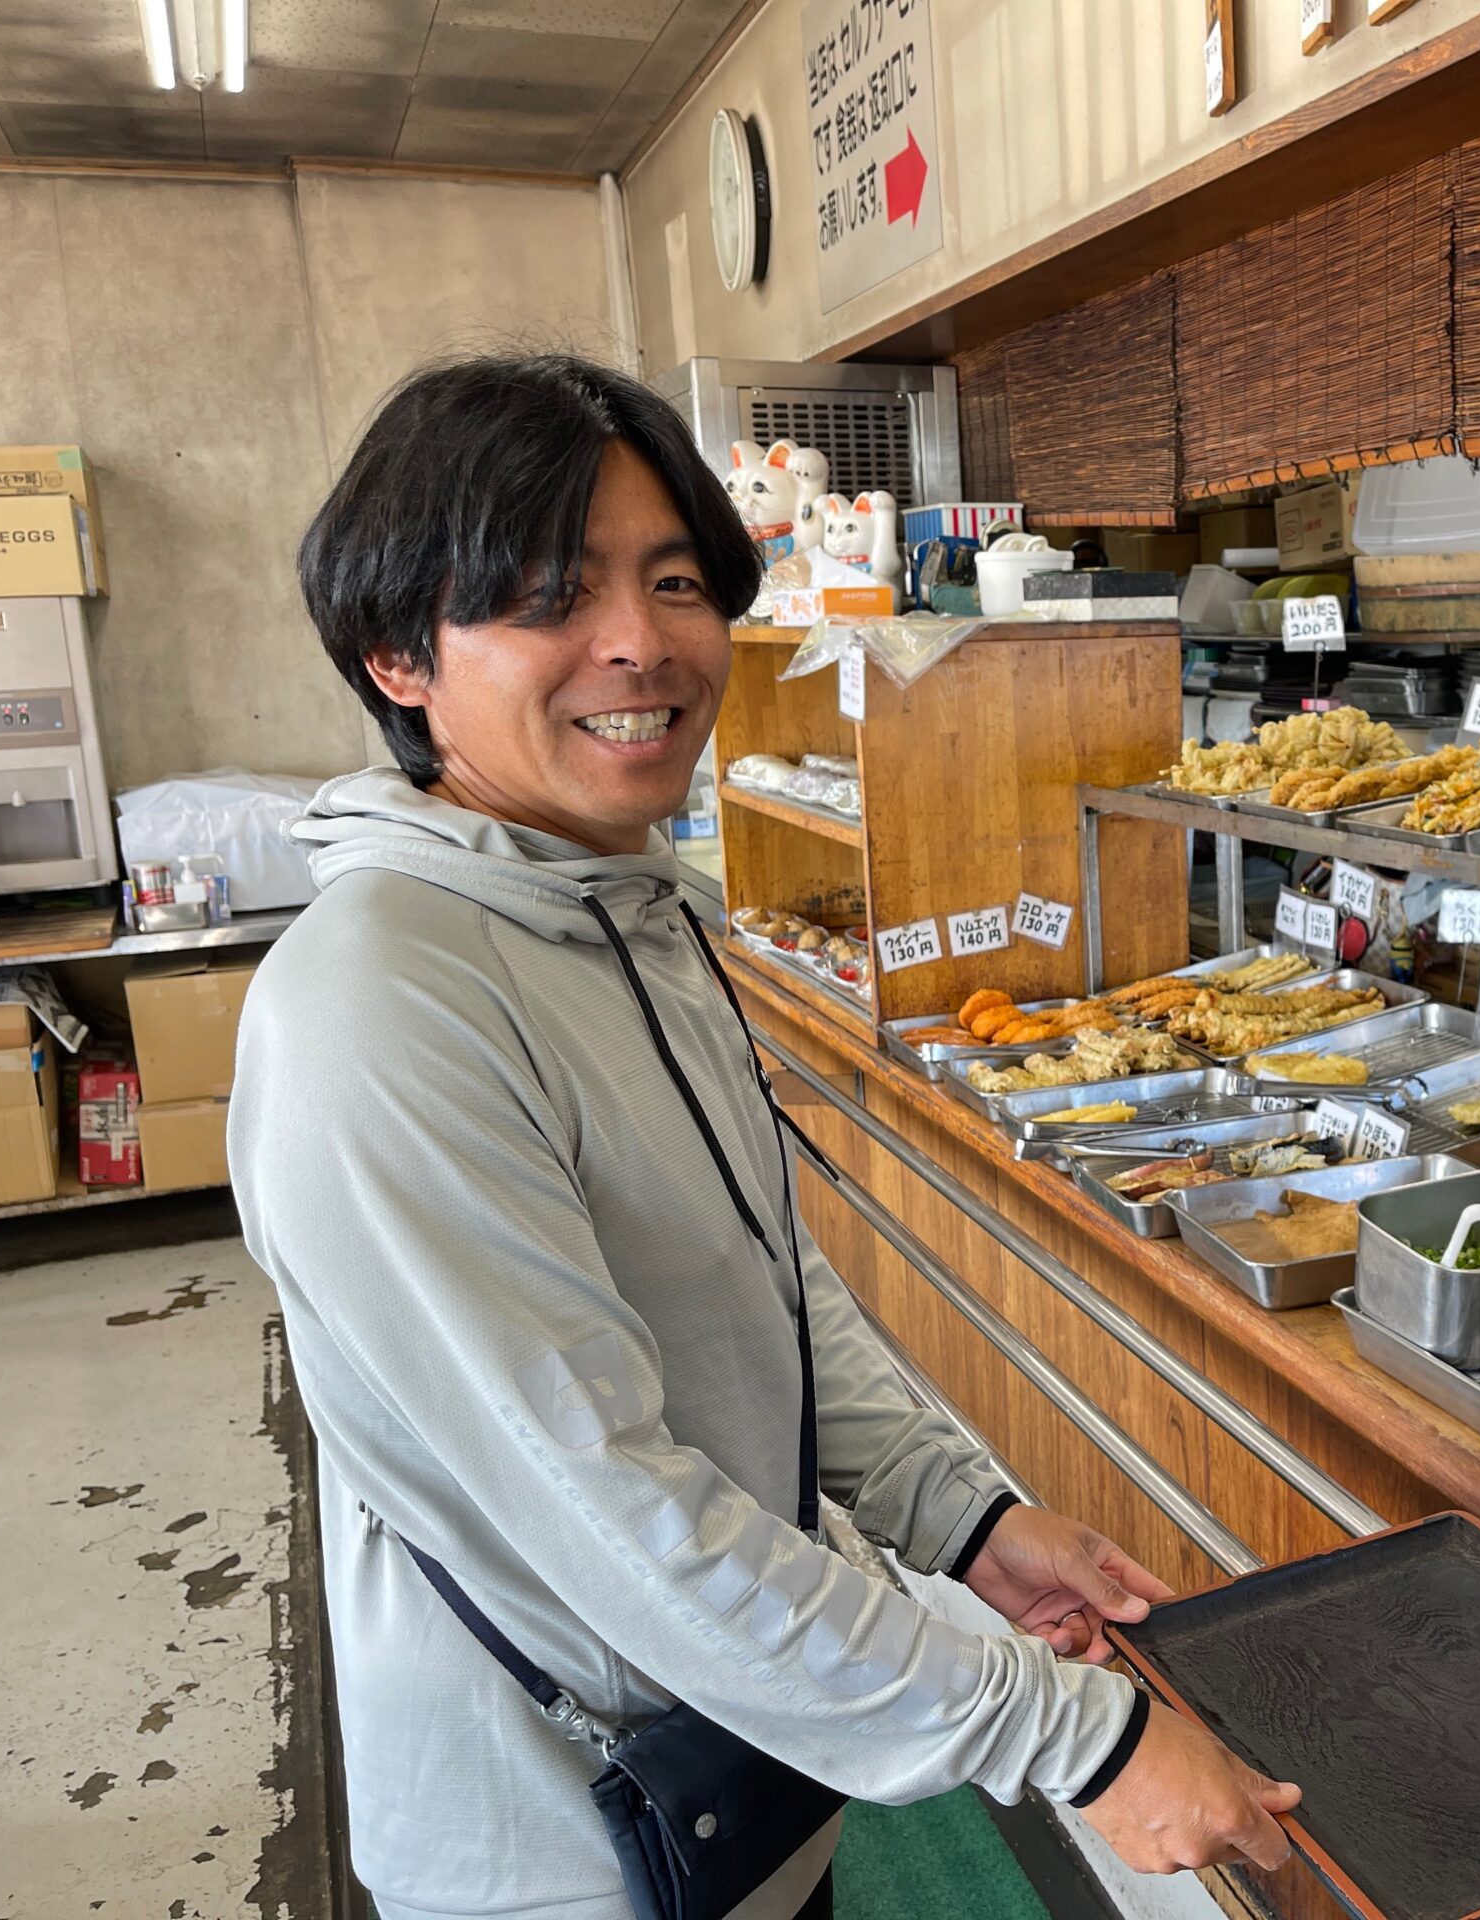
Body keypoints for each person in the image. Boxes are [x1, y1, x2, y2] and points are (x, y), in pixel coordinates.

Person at [230, 354, 1299, 1920]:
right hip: (560, 1852)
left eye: (675, 582)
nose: (639, 644)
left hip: (739, 1775)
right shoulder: (379, 1006)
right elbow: (614, 1510)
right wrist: (1081, 1737)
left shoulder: (630, 911)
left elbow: (764, 1285)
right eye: (549, 594)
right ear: (399, 654)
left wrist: (967, 1518)